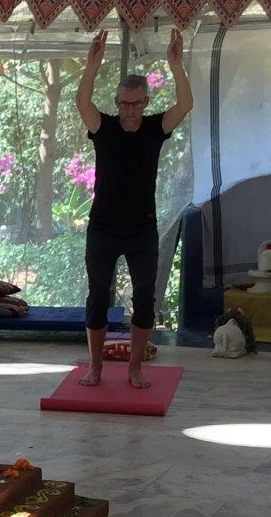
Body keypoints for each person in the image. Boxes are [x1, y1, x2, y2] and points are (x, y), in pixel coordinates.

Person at [74, 28, 192, 387]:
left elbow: (185, 105)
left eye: (136, 104)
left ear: (145, 102)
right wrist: (92, 65)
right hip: (103, 229)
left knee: (144, 299)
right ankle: (95, 367)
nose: (129, 110)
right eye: (124, 104)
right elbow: (82, 103)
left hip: (142, 230)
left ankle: (134, 367)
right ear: (117, 102)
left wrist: (176, 65)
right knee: (97, 297)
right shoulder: (104, 128)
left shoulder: (155, 129)